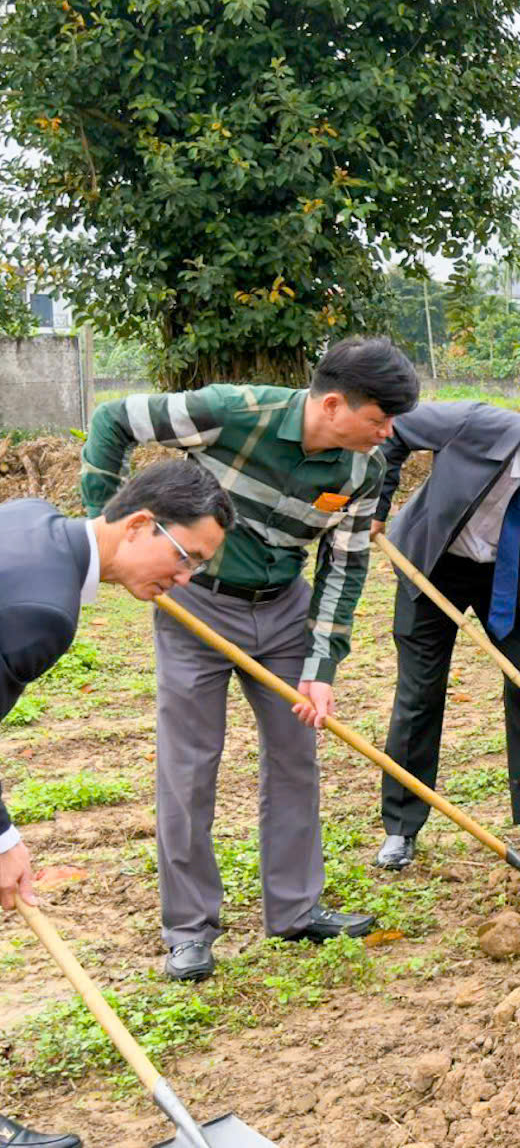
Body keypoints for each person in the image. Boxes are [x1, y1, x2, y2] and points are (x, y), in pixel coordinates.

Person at [81, 337, 419, 981]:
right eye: (379, 420)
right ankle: (189, 930)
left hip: (285, 610)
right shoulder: (231, 412)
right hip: (198, 606)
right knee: (189, 767)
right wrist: (108, 531)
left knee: (296, 757)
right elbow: (113, 420)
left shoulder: (363, 471)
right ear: (333, 404)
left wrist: (321, 667)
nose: (388, 433)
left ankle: (295, 909)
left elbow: (345, 567)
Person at [0, 462, 233, 1148]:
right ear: (139, 524)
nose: (185, 578)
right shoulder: (41, 611)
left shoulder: (33, 519)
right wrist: (3, 841)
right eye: (186, 557)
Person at [368, 393, 520, 871]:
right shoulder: (472, 424)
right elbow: (394, 429)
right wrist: (376, 506)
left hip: (508, 575)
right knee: (420, 693)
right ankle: (401, 826)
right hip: (434, 563)